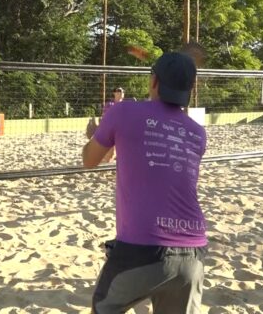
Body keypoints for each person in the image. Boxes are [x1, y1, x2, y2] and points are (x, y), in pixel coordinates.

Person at [83, 52, 207, 314]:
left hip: (141, 247)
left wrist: (94, 133)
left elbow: (90, 160)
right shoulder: (198, 133)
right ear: (189, 89)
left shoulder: (123, 111)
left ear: (153, 82)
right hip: (193, 251)